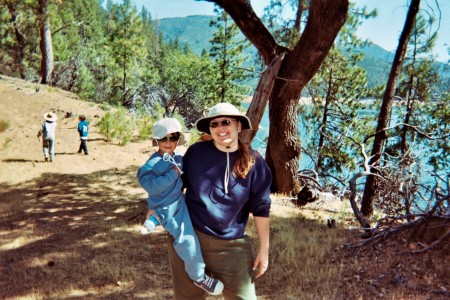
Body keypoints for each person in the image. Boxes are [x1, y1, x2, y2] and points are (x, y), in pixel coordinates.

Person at [169, 103, 272, 300]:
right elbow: (175, 187)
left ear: (239, 126)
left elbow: (261, 208)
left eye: (226, 122)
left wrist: (264, 250)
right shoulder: (196, 153)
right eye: (214, 124)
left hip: (233, 247)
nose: (220, 128)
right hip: (191, 239)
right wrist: (155, 208)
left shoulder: (255, 162)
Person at [137, 118, 224, 296]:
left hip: (180, 201)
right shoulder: (149, 166)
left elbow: (185, 172)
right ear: (156, 140)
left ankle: (156, 219)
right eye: (164, 139)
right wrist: (172, 173)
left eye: (173, 138)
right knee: (186, 240)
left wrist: (206, 141)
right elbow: (151, 186)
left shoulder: (177, 158)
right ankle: (199, 277)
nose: (169, 143)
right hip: (167, 206)